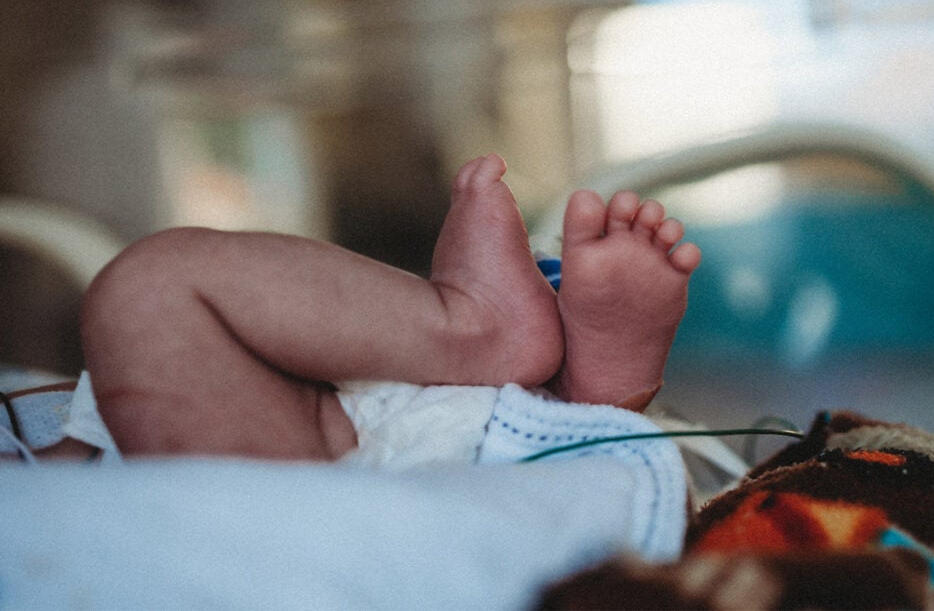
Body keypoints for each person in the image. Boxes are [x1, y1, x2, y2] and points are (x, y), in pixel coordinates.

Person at [70, 153, 701, 462]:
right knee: (156, 289)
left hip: (231, 483)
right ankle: (478, 334)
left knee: (287, 384)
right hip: (274, 516)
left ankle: (576, 402)